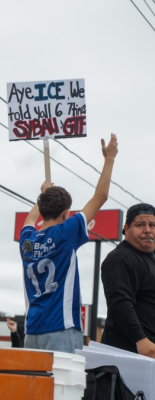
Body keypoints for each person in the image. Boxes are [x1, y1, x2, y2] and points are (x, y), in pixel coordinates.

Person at [19, 134, 118, 353]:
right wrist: (109, 158)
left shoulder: (26, 240)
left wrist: (43, 195)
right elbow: (100, 196)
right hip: (60, 328)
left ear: (42, 210)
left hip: (31, 331)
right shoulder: (66, 232)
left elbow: (29, 220)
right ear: (66, 213)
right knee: (66, 377)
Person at [101, 203, 155, 358]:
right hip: (129, 355)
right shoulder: (121, 258)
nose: (147, 230)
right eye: (140, 224)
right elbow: (120, 303)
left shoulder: (149, 258)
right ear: (126, 228)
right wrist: (141, 340)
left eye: (152, 225)